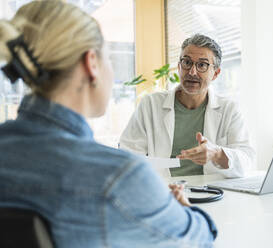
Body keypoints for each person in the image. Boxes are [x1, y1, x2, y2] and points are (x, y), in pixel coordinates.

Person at [0, 1, 217, 247]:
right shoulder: (117, 177)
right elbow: (201, 238)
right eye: (109, 58)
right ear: (91, 63)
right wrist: (176, 208)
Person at [120, 34, 255, 178]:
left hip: (214, 193)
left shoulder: (229, 109)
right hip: (165, 190)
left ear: (215, 73)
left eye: (202, 65)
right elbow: (128, 154)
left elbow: (247, 160)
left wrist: (216, 154)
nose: (192, 72)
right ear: (179, 67)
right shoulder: (150, 105)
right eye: (187, 62)